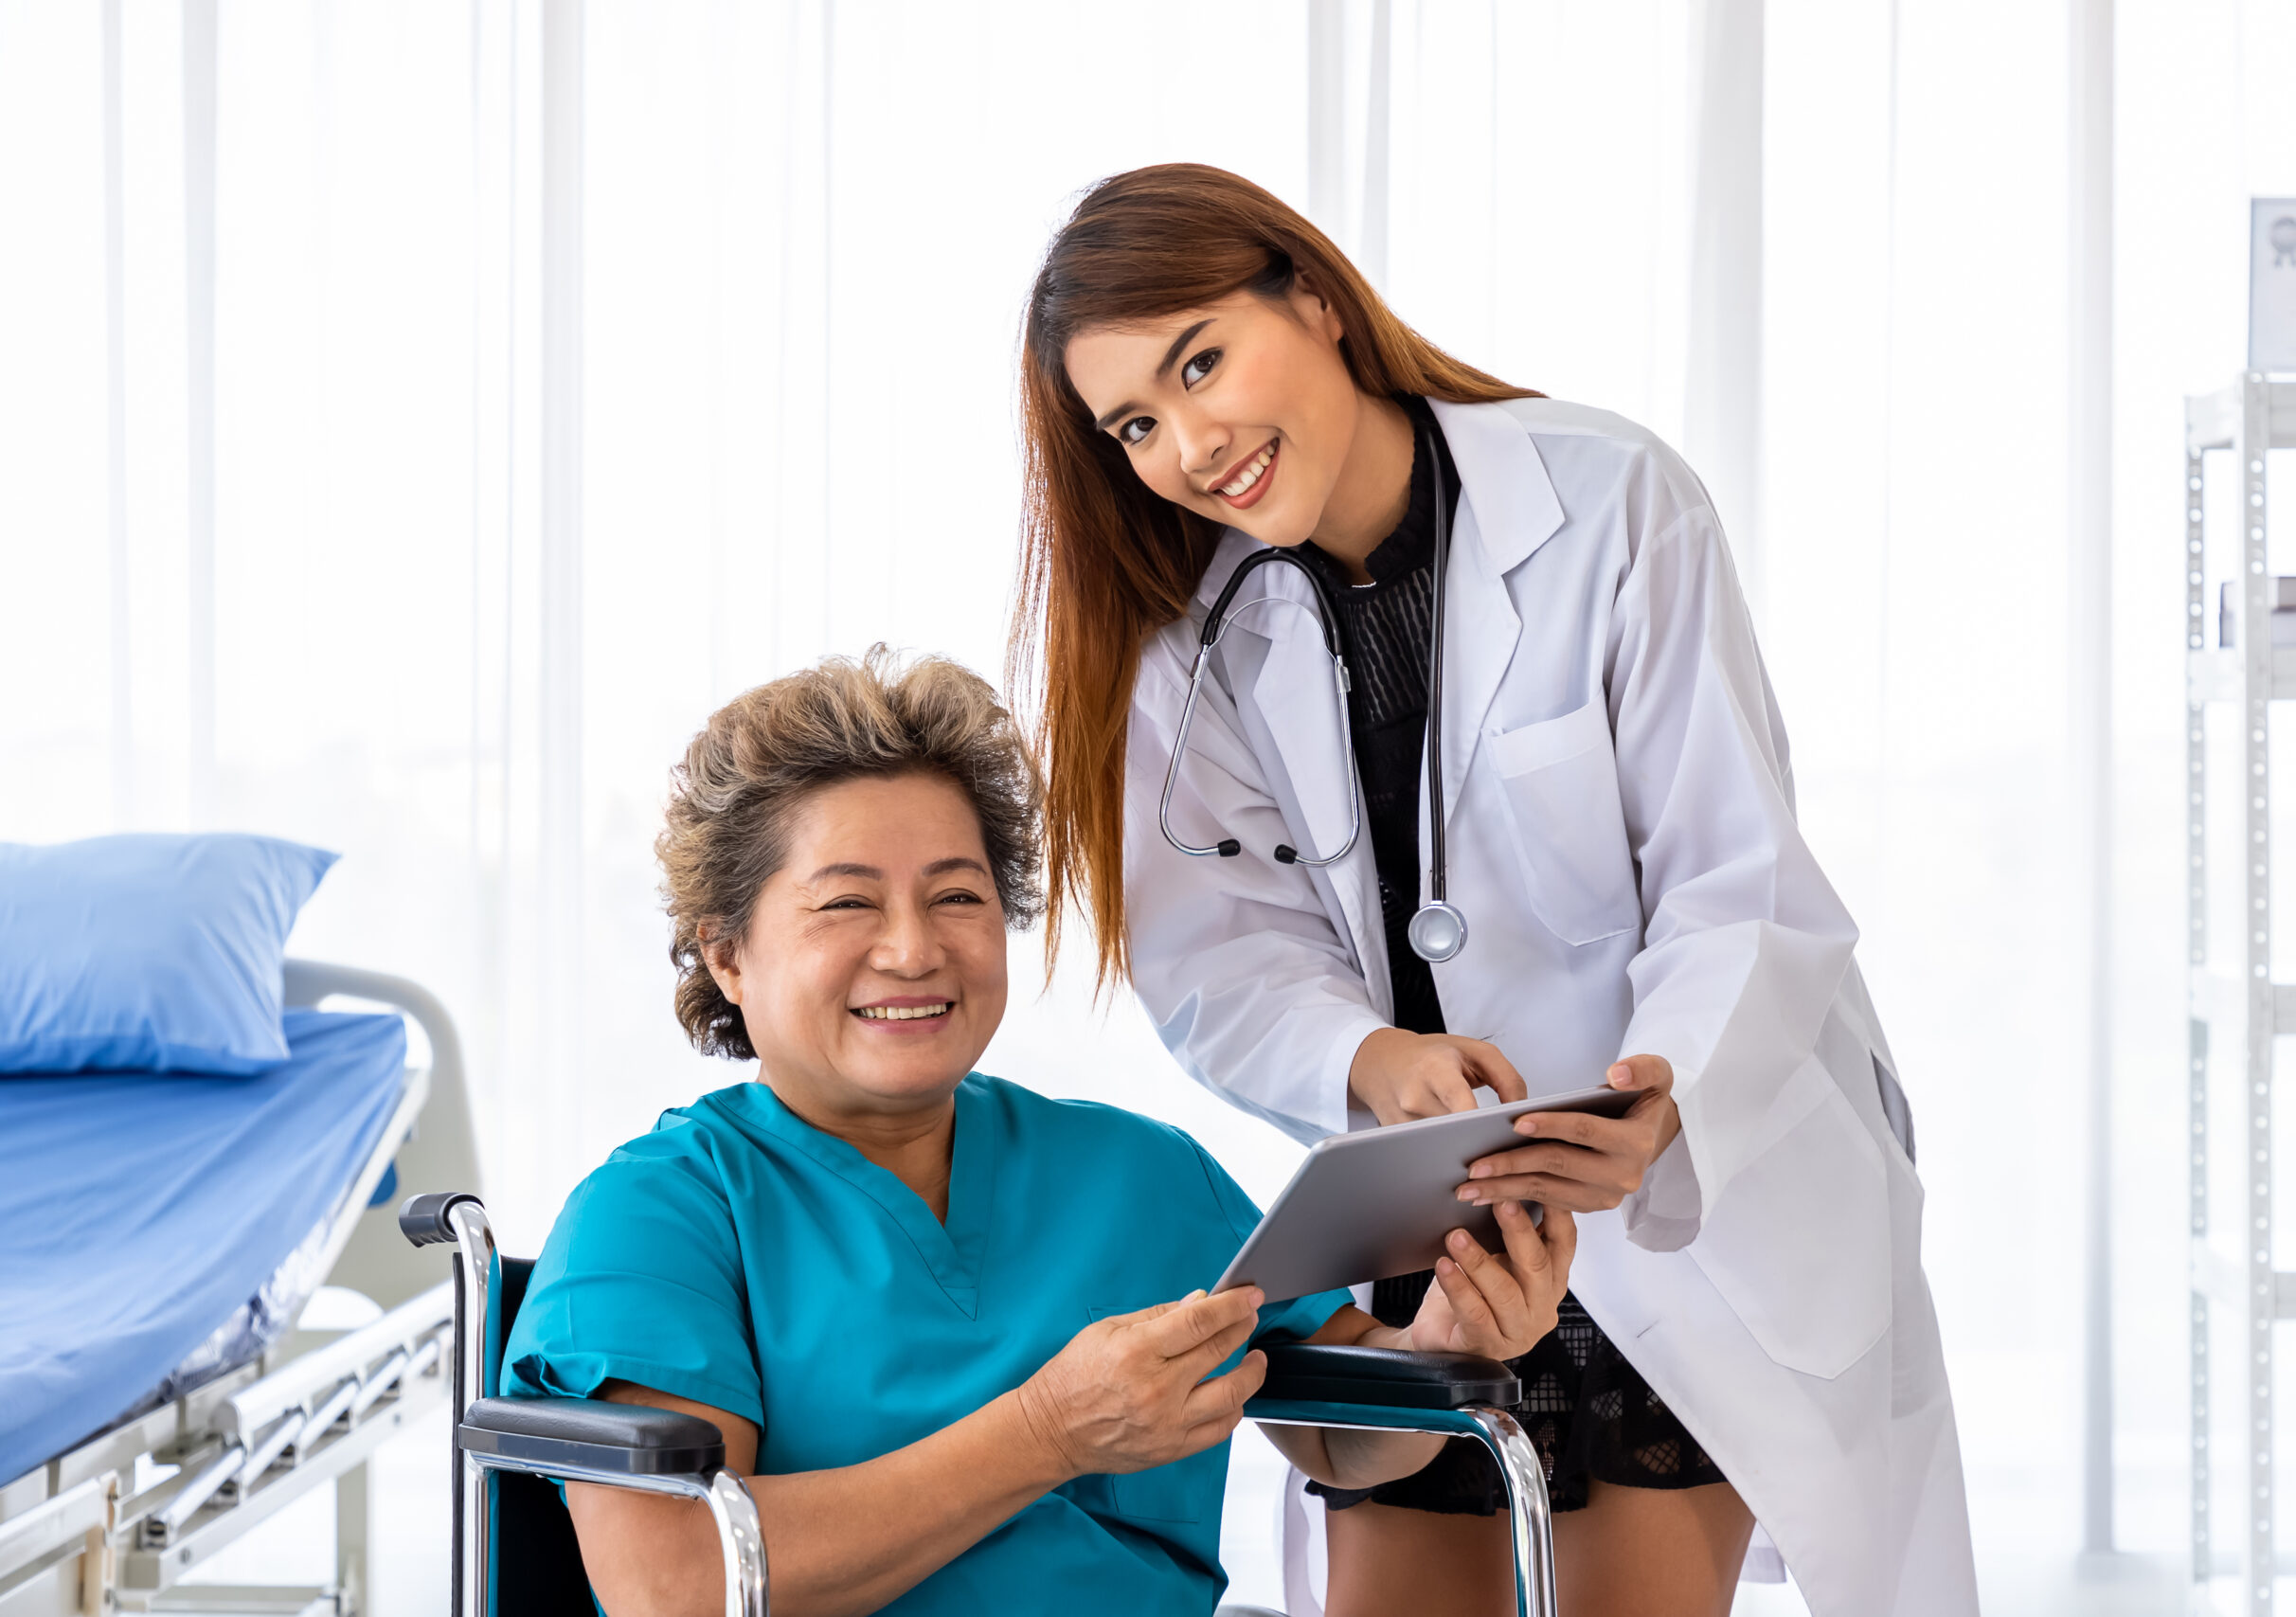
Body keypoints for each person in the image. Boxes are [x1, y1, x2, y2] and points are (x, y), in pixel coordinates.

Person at [1012, 164, 1978, 1617]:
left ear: (1318, 300)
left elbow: (1737, 877)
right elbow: (1219, 959)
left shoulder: (1607, 501)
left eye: (1201, 359)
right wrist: (1370, 1053)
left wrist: (1664, 1103)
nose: (1191, 444)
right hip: (1446, 1236)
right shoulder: (1191, 646)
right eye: (1136, 423)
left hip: (1686, 1213)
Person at [495, 648, 1574, 1617]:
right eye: (846, 905)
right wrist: (1046, 1434)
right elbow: (681, 1585)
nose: (914, 951)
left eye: (957, 897)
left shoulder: (1139, 1176)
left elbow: (1341, 1436)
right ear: (728, 954)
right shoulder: (661, 1214)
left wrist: (1452, 1342)